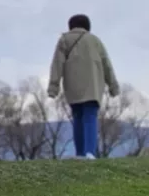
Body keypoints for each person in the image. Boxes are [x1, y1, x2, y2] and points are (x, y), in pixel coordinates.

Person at [47, 14, 120, 159]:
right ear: (88, 26)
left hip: (73, 86)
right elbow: (107, 65)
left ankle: (79, 153)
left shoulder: (64, 40)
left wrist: (53, 88)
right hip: (93, 86)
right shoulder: (95, 41)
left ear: (70, 26)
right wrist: (113, 86)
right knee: (90, 117)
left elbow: (57, 65)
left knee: (78, 117)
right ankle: (90, 153)